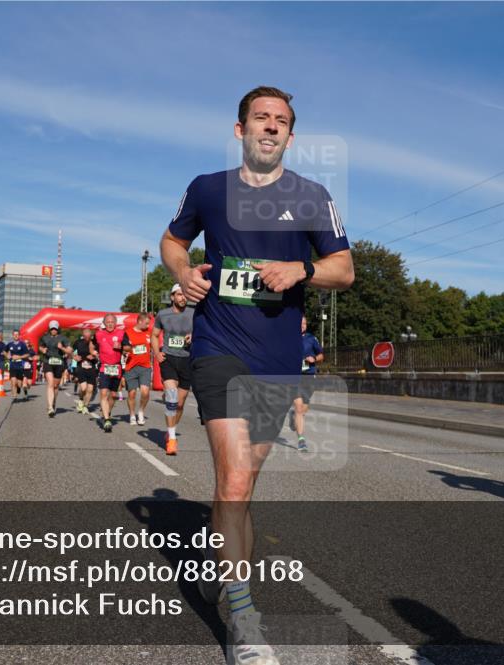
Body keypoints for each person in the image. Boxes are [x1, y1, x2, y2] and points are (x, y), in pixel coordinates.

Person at [160, 86, 354, 664]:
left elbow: (344, 269)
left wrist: (302, 269)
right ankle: (245, 619)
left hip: (277, 357)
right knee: (236, 482)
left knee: (241, 488)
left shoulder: (313, 196)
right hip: (218, 345)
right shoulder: (207, 188)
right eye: (260, 118)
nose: (270, 127)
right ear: (240, 128)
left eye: (281, 121)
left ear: (291, 136)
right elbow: (173, 242)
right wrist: (185, 271)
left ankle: (227, 548)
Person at [153, 283, 194, 455]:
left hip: (187, 360)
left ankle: (170, 429)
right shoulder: (163, 314)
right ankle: (171, 438)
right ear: (172, 297)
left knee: (179, 404)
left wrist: (194, 336)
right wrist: (157, 353)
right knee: (171, 397)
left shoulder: (194, 313)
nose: (182, 298)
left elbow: (205, 332)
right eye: (179, 295)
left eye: (185, 295)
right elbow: (154, 335)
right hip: (168, 358)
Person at [292, 315, 324, 452]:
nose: (302, 325)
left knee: (303, 409)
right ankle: (301, 441)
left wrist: (314, 358)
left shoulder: (312, 339)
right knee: (298, 408)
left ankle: (295, 418)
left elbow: (322, 356)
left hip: (309, 377)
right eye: (300, 323)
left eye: (304, 323)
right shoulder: (289, 338)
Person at [122, 312, 154, 426]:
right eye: (146, 323)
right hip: (131, 367)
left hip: (145, 367)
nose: (147, 326)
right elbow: (124, 346)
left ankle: (140, 411)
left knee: (145, 392)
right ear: (139, 321)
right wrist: (128, 349)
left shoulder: (149, 333)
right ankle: (132, 414)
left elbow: (156, 342)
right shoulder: (128, 332)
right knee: (132, 394)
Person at [95, 314, 125, 433]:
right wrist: (93, 351)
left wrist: (122, 346)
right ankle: (107, 419)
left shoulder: (121, 333)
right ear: (104, 323)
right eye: (108, 321)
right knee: (103, 393)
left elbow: (128, 347)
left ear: (116, 322)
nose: (110, 324)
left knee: (113, 395)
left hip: (116, 367)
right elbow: (92, 345)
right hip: (104, 367)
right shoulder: (98, 334)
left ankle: (107, 412)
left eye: (112, 321)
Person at [39, 321, 72, 417]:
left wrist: (62, 348)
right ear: (49, 329)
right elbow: (40, 346)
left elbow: (70, 351)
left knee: (56, 386)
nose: (54, 330)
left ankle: (53, 403)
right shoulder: (45, 337)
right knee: (50, 383)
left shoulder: (63, 338)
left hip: (59, 363)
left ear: (58, 329)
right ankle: (50, 407)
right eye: (52, 329)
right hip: (47, 361)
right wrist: (42, 350)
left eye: (55, 329)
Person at [72, 329, 100, 415]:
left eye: (89, 336)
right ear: (83, 335)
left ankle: (85, 406)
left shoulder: (95, 343)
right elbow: (71, 351)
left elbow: (99, 354)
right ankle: (81, 399)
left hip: (92, 368)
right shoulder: (78, 342)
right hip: (81, 367)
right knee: (83, 388)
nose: (87, 338)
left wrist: (94, 357)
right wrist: (74, 357)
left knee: (90, 389)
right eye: (86, 336)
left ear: (91, 335)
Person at [5, 330, 31, 399]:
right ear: (12, 335)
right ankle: (14, 396)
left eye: (17, 334)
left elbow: (28, 354)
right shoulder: (9, 344)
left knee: (19, 384)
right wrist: (7, 356)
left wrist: (19, 357)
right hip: (12, 365)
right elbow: (4, 351)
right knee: (13, 381)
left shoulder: (22, 344)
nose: (16, 336)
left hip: (20, 366)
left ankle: (19, 388)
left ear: (19, 336)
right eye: (14, 334)